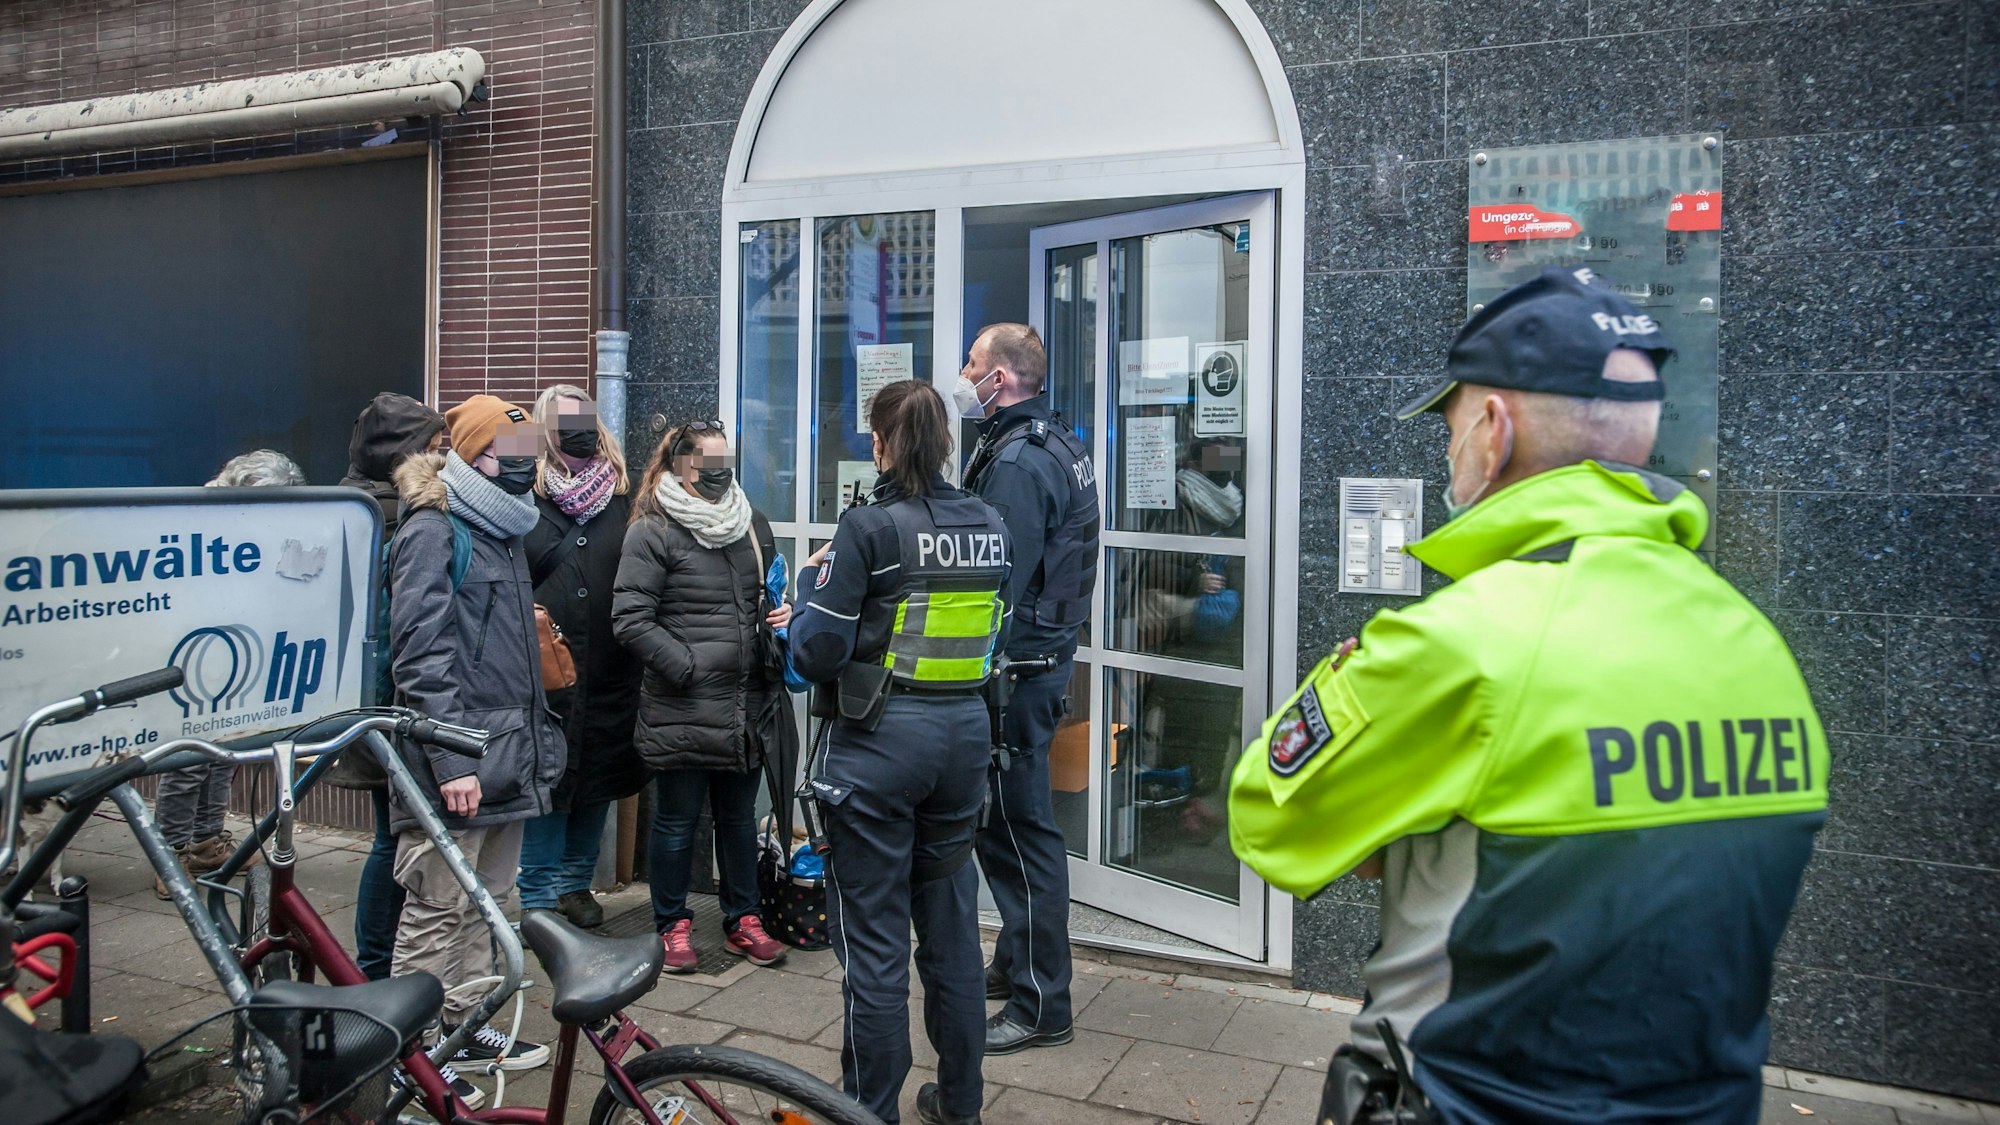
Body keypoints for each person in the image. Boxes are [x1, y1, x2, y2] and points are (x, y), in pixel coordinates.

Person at [1227, 266, 1829, 1125]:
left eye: (1448, 425)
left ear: (1492, 432)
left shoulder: (1458, 640)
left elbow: (1266, 817)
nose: (1445, 452)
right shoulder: (1757, 644)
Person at [790, 380, 1012, 1125]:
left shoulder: (869, 527)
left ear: (880, 444)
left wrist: (813, 577)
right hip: (962, 746)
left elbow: (818, 650)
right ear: (945, 443)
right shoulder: (989, 523)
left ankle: (868, 1112)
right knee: (951, 938)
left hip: (880, 752)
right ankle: (961, 1106)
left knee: (876, 948)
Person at [388, 394, 567, 1106]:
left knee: (488, 902)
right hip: (459, 758)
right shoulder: (435, 529)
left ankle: (463, 1029)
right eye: (508, 458)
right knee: (438, 906)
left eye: (531, 459)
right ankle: (411, 1053)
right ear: (467, 455)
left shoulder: (505, 525)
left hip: (508, 753)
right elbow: (421, 654)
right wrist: (453, 759)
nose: (524, 471)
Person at [955, 323, 1100, 1056]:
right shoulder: (1055, 441)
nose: (963, 373)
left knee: (1018, 830)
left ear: (1003, 376)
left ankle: (1045, 1001)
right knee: (1005, 826)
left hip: (1016, 673)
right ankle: (1016, 963)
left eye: (973, 363)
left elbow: (993, 581)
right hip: (1040, 666)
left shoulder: (1016, 461)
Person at [611, 420, 794, 973]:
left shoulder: (750, 524)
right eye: (707, 466)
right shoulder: (653, 531)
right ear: (679, 467)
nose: (718, 477)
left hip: (746, 704)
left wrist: (780, 615)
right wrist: (687, 668)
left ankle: (744, 918)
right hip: (683, 706)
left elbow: (768, 594)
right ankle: (671, 925)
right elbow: (630, 621)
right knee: (677, 820)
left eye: (725, 466)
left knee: (738, 819)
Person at [518, 386, 647, 929]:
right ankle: (537, 897)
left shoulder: (627, 491)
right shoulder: (521, 487)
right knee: (549, 779)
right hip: (546, 666)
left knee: (599, 775)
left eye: (586, 418)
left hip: (614, 665)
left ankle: (574, 884)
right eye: (565, 419)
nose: (579, 430)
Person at [151, 449, 306, 898]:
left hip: (240, 644)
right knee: (188, 758)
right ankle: (170, 852)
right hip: (198, 647)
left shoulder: (251, 521)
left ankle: (206, 840)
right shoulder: (198, 520)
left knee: (225, 751)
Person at [331, 392, 445, 978]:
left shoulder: (349, 509)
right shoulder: (389, 517)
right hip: (386, 706)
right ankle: (376, 968)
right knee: (393, 842)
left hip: (375, 702)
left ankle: (384, 965)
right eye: (431, 446)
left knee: (397, 840)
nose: (441, 457)